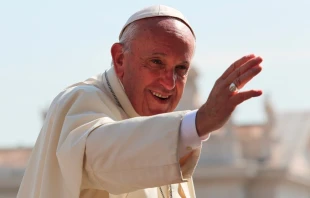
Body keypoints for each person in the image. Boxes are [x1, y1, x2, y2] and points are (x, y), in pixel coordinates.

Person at [17, 5, 263, 198]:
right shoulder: (80, 100)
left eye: (181, 68)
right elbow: (100, 157)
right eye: (156, 62)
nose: (169, 82)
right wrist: (199, 122)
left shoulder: (168, 136)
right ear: (120, 59)